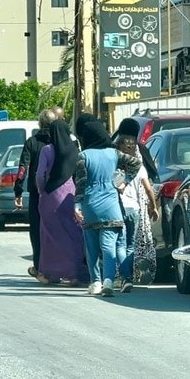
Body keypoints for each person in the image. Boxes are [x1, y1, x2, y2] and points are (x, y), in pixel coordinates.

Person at [73, 114, 140, 296]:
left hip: (90, 204)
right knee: (109, 244)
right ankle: (109, 280)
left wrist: (77, 205)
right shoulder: (114, 153)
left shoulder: (83, 156)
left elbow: (81, 183)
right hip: (111, 205)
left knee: (92, 247)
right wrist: (124, 181)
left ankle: (95, 282)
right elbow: (136, 163)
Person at [35, 119, 89, 286]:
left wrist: (41, 190)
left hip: (50, 196)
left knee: (49, 236)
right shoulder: (75, 150)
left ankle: (49, 273)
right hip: (70, 195)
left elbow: (39, 174)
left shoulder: (47, 150)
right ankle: (74, 274)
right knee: (72, 235)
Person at [14, 109, 58, 279]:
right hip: (57, 193)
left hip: (36, 194)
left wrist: (18, 190)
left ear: (39, 124)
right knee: (56, 231)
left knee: (36, 231)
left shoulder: (32, 143)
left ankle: (40, 267)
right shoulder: (61, 142)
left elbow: (22, 169)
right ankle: (57, 266)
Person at [113, 135, 158, 292]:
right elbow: (148, 188)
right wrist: (153, 207)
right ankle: (129, 275)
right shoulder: (140, 167)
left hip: (117, 208)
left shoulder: (115, 165)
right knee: (131, 245)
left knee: (119, 243)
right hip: (134, 209)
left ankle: (122, 276)